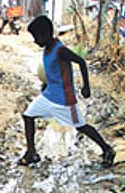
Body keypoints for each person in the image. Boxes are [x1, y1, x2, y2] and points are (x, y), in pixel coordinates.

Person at [18, 15, 115, 167]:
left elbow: (81, 62)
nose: (35, 41)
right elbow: (54, 73)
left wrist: (86, 86)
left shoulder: (60, 50)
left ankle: (107, 149)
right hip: (50, 96)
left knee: (81, 126)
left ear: (45, 34)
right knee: (28, 116)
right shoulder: (47, 49)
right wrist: (45, 86)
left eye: (36, 37)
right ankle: (31, 152)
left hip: (65, 101)